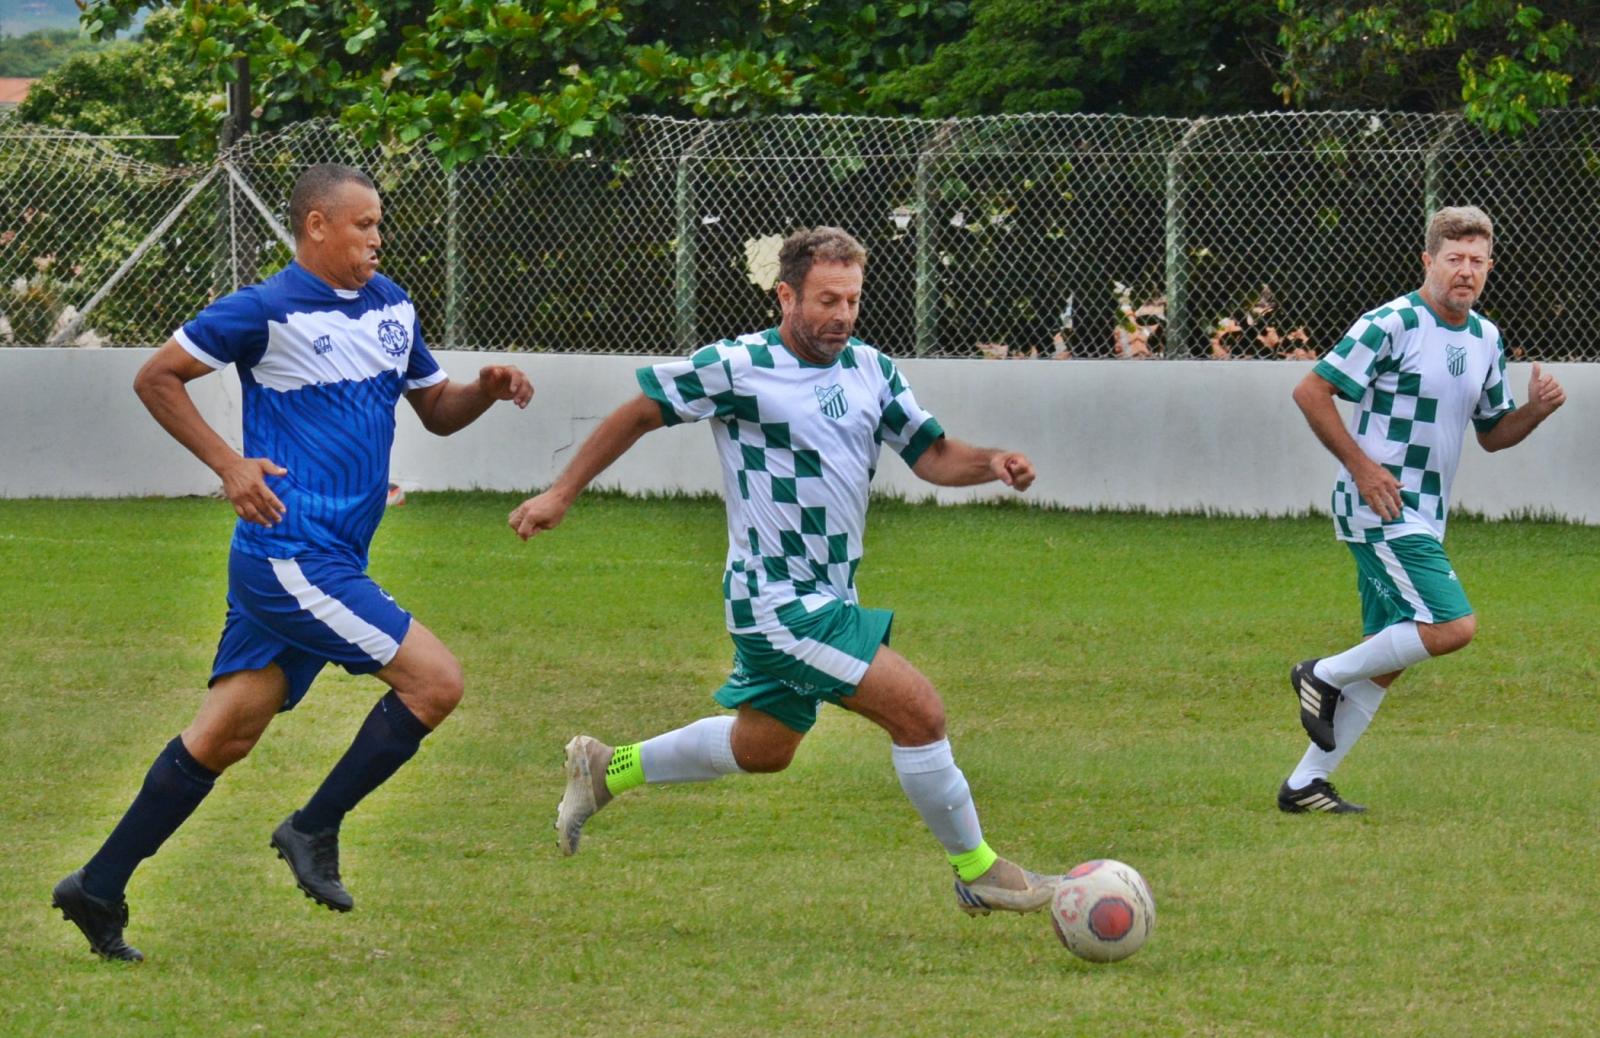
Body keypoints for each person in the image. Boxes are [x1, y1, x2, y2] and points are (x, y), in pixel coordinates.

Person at [51, 163, 533, 961]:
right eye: (363, 225)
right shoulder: (263, 310)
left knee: (225, 733)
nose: (377, 238)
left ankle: (97, 886)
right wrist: (229, 465)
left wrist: (482, 387)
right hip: (290, 555)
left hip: (331, 554)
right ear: (317, 226)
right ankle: (312, 827)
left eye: (379, 225)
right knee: (436, 681)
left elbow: (437, 412)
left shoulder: (391, 306)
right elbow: (156, 377)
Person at [508, 226, 1062, 916]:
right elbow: (641, 410)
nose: (841, 316)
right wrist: (562, 493)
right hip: (776, 601)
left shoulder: (871, 370)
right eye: (827, 300)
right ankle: (978, 871)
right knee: (920, 712)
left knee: (765, 747)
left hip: (829, 592)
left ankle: (608, 767)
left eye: (853, 301)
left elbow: (932, 453)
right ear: (786, 294)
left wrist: (992, 463)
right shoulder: (740, 365)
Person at [1281, 205, 1566, 814]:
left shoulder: (1486, 337)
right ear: (1428, 261)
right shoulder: (1391, 322)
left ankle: (1306, 784)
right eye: (1454, 259)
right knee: (1452, 626)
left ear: (1490, 266)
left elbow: (1492, 432)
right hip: (1379, 504)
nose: (1465, 271)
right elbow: (1312, 390)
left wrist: (1536, 411)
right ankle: (1322, 673)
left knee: (1391, 655)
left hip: (1425, 511)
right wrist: (1361, 467)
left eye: (1477, 261)